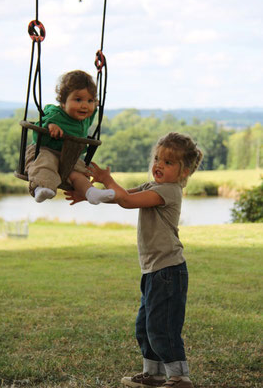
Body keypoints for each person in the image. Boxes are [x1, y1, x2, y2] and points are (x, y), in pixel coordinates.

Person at [65, 132, 203, 388]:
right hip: (153, 270)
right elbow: (119, 196)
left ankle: (180, 377)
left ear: (184, 172)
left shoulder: (169, 192)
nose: (159, 165)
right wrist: (89, 194)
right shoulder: (152, 186)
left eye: (169, 162)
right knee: (145, 325)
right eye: (157, 158)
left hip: (168, 270)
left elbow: (126, 201)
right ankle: (153, 374)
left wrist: (107, 179)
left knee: (162, 327)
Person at [24, 69, 115, 204]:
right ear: (63, 102)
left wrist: (96, 103)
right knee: (45, 164)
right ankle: (41, 188)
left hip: (68, 156)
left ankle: (91, 192)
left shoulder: (85, 119)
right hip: (43, 151)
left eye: (90, 100)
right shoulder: (56, 114)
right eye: (78, 99)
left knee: (78, 173)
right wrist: (50, 126)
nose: (84, 105)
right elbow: (38, 134)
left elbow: (94, 108)